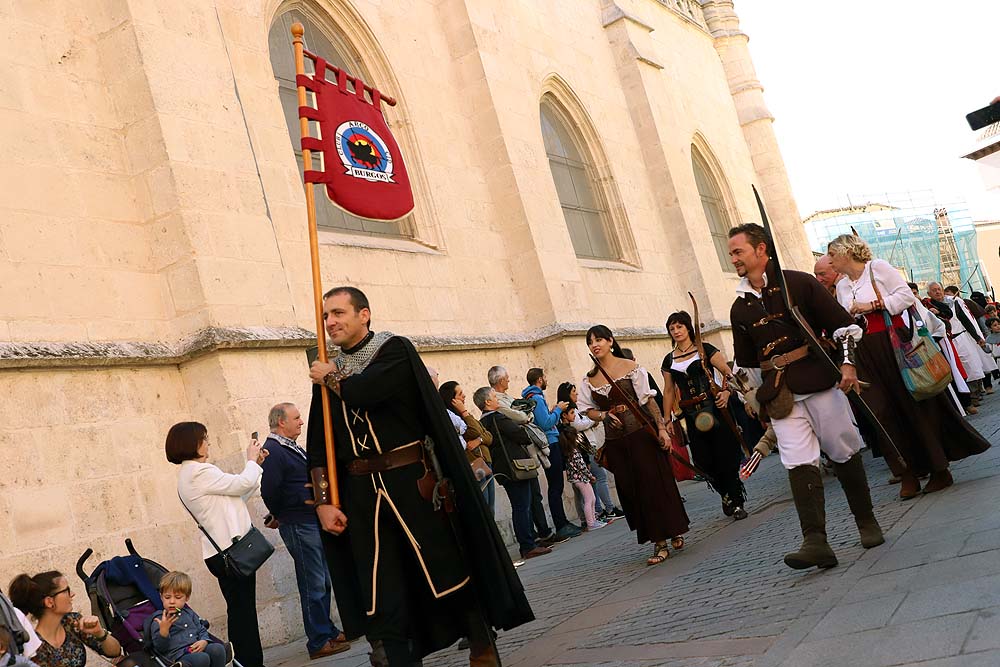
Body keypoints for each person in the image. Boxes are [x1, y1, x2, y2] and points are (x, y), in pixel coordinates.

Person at [305, 286, 532, 667]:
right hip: (361, 496)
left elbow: (370, 390)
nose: (330, 322)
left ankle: (480, 642)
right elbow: (319, 443)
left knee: (444, 569)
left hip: (412, 483)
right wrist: (325, 502)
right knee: (382, 587)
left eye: (339, 313)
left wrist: (332, 378)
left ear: (364, 315)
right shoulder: (329, 370)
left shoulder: (394, 350)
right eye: (326, 316)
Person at [727, 223, 884, 570]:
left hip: (819, 380)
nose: (733, 257)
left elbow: (846, 327)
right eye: (732, 253)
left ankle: (866, 521)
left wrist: (847, 366)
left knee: (843, 448)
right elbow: (748, 363)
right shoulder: (740, 308)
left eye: (738, 251)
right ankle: (815, 541)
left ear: (761, 250)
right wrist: (754, 398)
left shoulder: (798, 283)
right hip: (780, 395)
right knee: (797, 461)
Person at [828, 235, 991, 497]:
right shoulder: (843, 286)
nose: (830, 262)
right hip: (864, 351)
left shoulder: (877, 267)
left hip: (893, 344)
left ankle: (939, 469)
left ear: (846, 252)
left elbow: (905, 296)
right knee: (882, 411)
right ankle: (907, 471)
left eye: (832, 255)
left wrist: (872, 305)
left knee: (912, 403)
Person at [577, 325, 689, 566]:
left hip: (641, 435)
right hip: (616, 443)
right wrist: (604, 415)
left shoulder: (631, 367)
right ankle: (657, 541)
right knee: (634, 492)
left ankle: (671, 532)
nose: (594, 345)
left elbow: (648, 401)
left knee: (655, 484)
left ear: (610, 341)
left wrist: (661, 429)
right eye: (590, 342)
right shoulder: (589, 379)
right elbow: (587, 410)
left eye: (598, 340)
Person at [166, 422, 267, 667]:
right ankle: (249, 663)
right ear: (193, 443)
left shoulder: (191, 475)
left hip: (222, 553)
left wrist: (256, 467)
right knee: (243, 614)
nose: (208, 443)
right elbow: (242, 484)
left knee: (241, 612)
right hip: (229, 554)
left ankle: (246, 661)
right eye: (205, 438)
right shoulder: (200, 472)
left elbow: (237, 497)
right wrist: (251, 460)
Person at [259, 403, 349, 660]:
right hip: (298, 522)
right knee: (313, 582)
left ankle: (328, 631)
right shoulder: (274, 450)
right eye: (296, 418)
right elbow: (270, 490)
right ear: (281, 422)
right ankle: (319, 640)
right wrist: (280, 514)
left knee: (322, 579)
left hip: (309, 519)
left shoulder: (290, 446)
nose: (301, 422)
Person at [660, 310, 748, 520]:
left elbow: (728, 373)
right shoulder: (669, 360)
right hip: (691, 416)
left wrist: (726, 392)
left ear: (688, 327)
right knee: (703, 461)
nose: (676, 331)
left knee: (725, 456)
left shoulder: (705, 349)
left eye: (679, 326)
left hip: (715, 409)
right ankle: (725, 494)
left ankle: (736, 501)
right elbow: (669, 391)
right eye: (672, 328)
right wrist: (666, 420)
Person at [475, 386, 552, 560]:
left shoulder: (483, 421)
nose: (497, 400)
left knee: (520, 505)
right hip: (514, 467)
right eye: (494, 397)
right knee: (522, 506)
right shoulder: (497, 418)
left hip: (503, 468)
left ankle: (529, 542)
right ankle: (527, 545)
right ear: (487, 402)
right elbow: (521, 435)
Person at [487, 366, 560, 546]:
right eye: (507, 378)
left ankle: (541, 534)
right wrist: (525, 416)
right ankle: (531, 540)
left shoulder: (506, 399)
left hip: (522, 454)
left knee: (532, 495)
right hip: (516, 458)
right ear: (500, 380)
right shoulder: (499, 405)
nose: (509, 380)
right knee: (523, 502)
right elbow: (520, 418)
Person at [9, 572, 123, 667]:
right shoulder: (34, 646)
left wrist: (100, 633)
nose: (72, 594)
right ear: (50, 602)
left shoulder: (72, 622)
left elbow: (115, 652)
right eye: (66, 590)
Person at [522, 369, 582, 539]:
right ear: (540, 379)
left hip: (550, 443)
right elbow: (546, 422)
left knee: (556, 485)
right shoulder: (537, 398)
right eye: (545, 377)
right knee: (555, 486)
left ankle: (563, 523)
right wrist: (558, 410)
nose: (546, 380)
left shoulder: (533, 397)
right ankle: (561, 525)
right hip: (550, 443)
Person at [557, 382, 623, 522]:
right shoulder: (567, 409)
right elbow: (578, 425)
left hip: (588, 448)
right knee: (599, 478)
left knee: (592, 483)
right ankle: (606, 510)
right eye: (574, 391)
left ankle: (597, 513)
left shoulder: (575, 408)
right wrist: (593, 420)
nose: (577, 394)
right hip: (584, 449)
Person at [439, 381, 496, 514]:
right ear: (451, 399)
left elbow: (488, 435)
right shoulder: (456, 418)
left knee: (491, 506)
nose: (464, 396)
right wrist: (464, 412)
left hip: (486, 462)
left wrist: (479, 440)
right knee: (484, 506)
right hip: (475, 464)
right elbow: (475, 431)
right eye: (460, 394)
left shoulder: (465, 416)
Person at [150, 572, 227, 667]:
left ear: (186, 598)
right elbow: (160, 648)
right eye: (167, 597)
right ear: (161, 597)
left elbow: (201, 629)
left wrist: (204, 641)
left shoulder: (189, 613)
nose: (172, 601)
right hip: (178, 657)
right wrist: (163, 631)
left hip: (196, 647)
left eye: (178, 597)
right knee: (202, 658)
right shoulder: (159, 619)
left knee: (217, 649)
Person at [928, 282, 987, 404]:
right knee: (957, 370)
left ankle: (975, 394)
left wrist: (977, 337)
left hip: (961, 337)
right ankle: (967, 398)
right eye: (934, 290)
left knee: (971, 365)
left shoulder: (953, 303)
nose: (937, 292)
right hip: (945, 342)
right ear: (929, 293)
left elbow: (964, 320)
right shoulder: (928, 307)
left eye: (939, 289)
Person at [558, 404, 607, 531]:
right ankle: (591, 522)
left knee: (590, 498)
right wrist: (590, 476)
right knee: (589, 499)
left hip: (579, 478)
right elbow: (581, 466)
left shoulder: (570, 451)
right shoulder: (574, 452)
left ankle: (593, 520)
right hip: (581, 478)